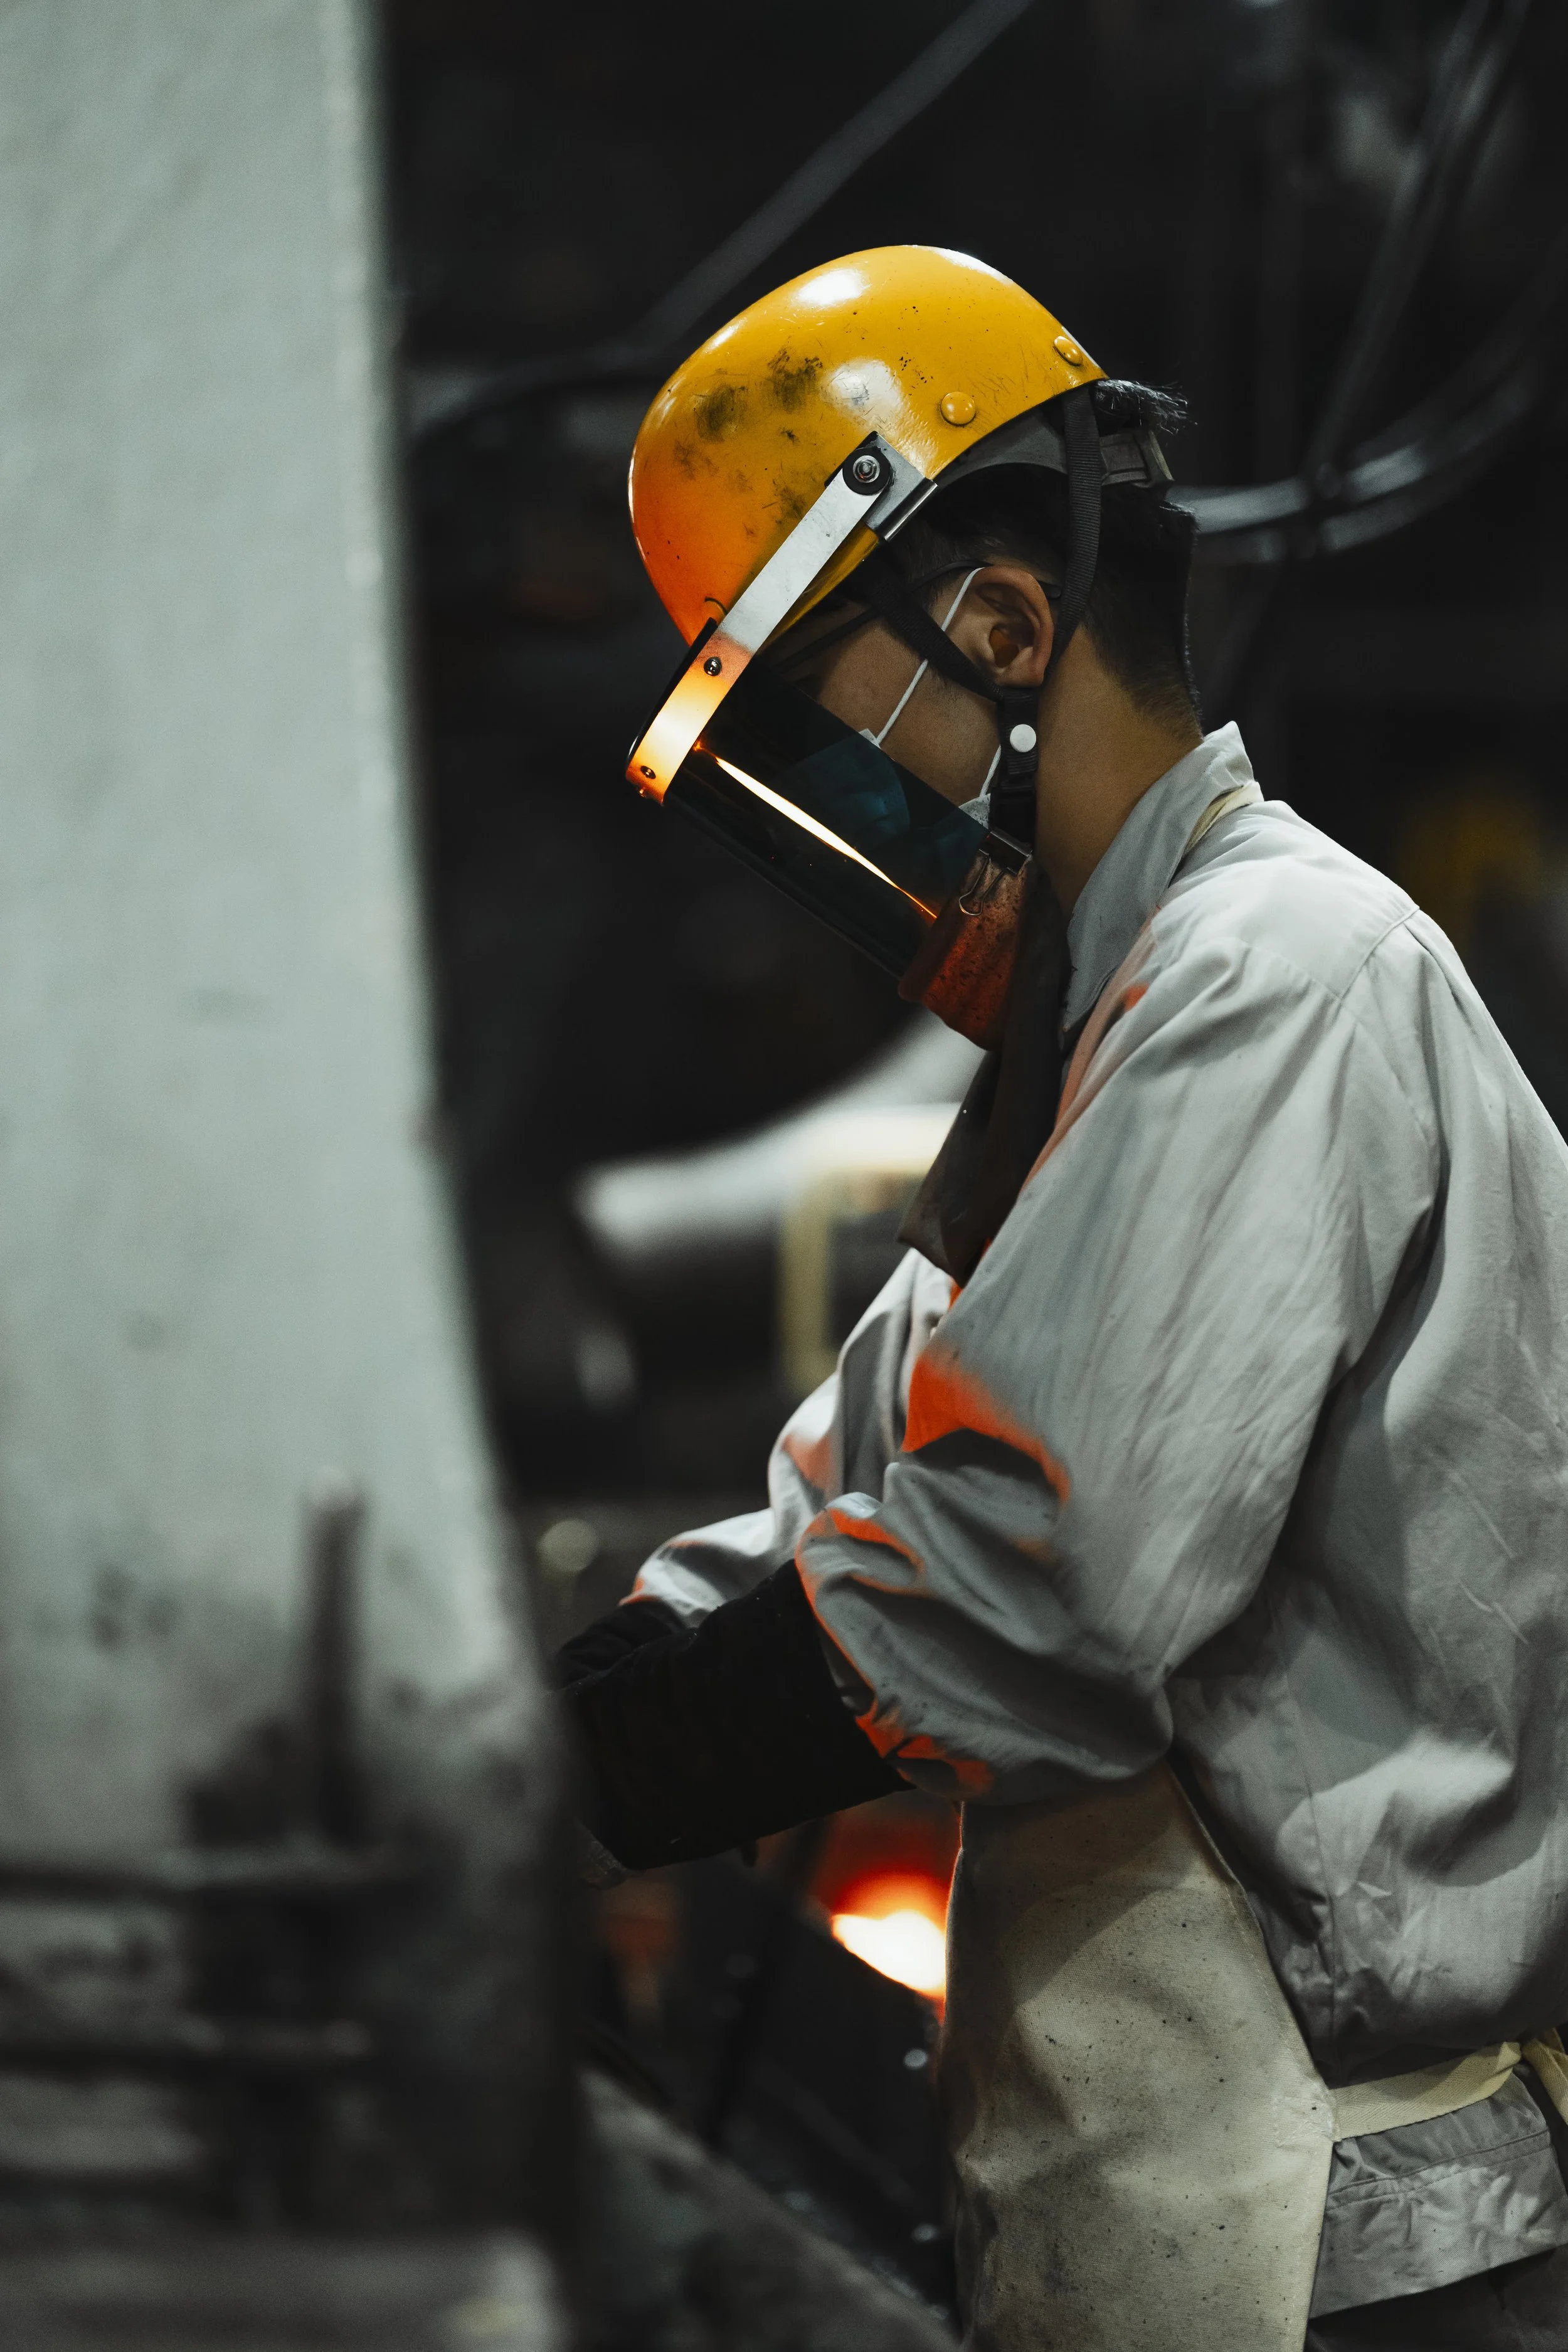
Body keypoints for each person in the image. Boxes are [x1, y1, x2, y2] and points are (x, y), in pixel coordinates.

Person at [556, 245, 1568, 2349]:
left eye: (810, 745)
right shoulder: (1086, 1055)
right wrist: (584, 1691)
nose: (815, 835)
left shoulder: (1275, 974)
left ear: (1003, 629)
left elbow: (1045, 1573)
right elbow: (876, 1471)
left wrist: (630, 1762)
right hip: (1188, 2198)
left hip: (1345, 2232)